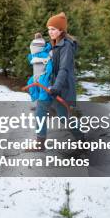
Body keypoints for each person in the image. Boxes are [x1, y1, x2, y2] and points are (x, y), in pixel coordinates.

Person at [34, 12, 81, 148]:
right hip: (50, 86)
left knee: (64, 118)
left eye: (53, 29)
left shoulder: (66, 46)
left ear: (61, 30)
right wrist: (38, 43)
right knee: (40, 110)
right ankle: (40, 143)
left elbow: (64, 69)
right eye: (49, 29)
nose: (50, 32)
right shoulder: (54, 44)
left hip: (62, 87)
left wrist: (56, 87)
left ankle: (81, 139)